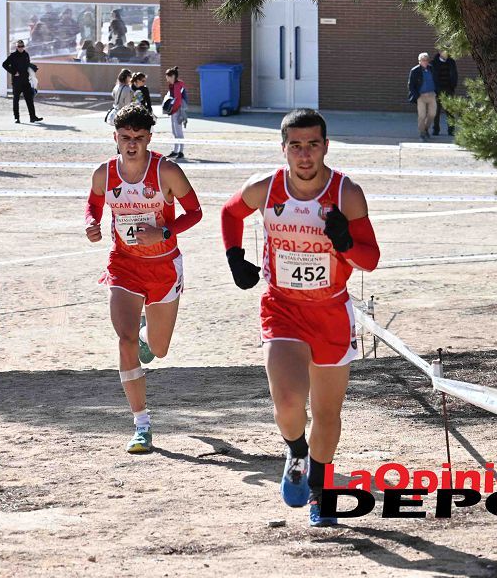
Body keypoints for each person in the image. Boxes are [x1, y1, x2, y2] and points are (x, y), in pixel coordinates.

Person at [220, 108, 381, 527]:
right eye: (296, 146)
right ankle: (295, 450)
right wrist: (235, 257)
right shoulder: (266, 188)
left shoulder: (346, 193)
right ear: (284, 148)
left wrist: (345, 243)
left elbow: (371, 259)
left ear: (326, 146)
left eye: (313, 145)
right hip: (283, 308)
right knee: (289, 402)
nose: (305, 155)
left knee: (327, 413)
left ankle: (320, 493)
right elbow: (229, 213)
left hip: (331, 312)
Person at [83, 104, 204, 453]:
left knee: (160, 349)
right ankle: (141, 424)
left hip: (164, 267)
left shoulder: (166, 170)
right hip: (124, 265)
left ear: (149, 138)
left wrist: (164, 231)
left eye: (138, 138)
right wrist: (90, 223)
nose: (132, 144)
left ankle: (148, 336)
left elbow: (195, 211)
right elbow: (93, 203)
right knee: (124, 341)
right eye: (125, 138)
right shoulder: (104, 174)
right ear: (115, 139)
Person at [1, 40, 42, 123]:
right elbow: (4, 64)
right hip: (17, 82)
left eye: (22, 46)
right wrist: (13, 72)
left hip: (26, 81)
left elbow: (27, 65)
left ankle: (32, 117)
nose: (21, 48)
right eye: (19, 46)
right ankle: (17, 118)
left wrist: (32, 70)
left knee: (29, 99)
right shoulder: (13, 56)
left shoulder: (26, 55)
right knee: (16, 100)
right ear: (16, 47)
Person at [407, 52, 437, 141]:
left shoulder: (432, 69)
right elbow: (410, 85)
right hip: (421, 96)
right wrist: (417, 95)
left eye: (426, 60)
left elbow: (437, 80)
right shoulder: (414, 70)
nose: (425, 62)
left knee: (432, 114)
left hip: (432, 95)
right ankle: (422, 133)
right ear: (419, 61)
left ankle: (426, 128)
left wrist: (437, 92)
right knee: (422, 115)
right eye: (423, 60)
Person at [431, 48, 458, 136]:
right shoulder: (434, 63)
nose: (446, 54)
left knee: (450, 111)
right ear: (439, 52)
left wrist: (453, 85)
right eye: (444, 52)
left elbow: (455, 74)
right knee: (436, 111)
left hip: (448, 89)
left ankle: (451, 130)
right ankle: (436, 130)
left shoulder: (451, 62)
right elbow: (432, 77)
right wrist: (435, 89)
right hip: (437, 90)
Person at [164, 67, 188, 160]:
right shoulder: (173, 85)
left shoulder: (177, 85)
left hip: (177, 110)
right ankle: (175, 150)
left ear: (172, 76)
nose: (167, 78)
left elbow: (177, 100)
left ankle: (180, 151)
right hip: (174, 110)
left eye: (168, 76)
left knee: (178, 131)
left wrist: (172, 110)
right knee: (175, 131)